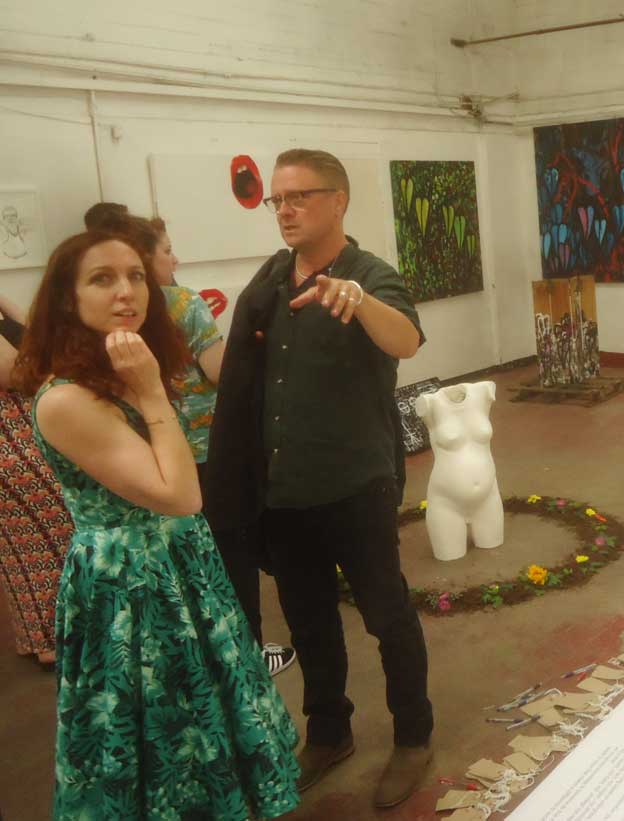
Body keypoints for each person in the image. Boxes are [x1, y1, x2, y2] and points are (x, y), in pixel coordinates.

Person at [13, 231, 300, 819]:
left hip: (179, 565)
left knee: (208, 705)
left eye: (136, 276)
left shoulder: (119, 369)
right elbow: (180, 495)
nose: (126, 291)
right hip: (131, 587)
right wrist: (150, 392)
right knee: (159, 727)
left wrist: (145, 385)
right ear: (67, 298)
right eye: (102, 279)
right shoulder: (65, 399)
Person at [205, 148, 432, 808]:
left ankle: (413, 735)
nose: (286, 210)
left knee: (387, 616)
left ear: (339, 200)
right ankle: (329, 731)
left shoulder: (370, 275)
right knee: (308, 623)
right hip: (284, 493)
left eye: (300, 196)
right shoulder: (270, 283)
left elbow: (406, 340)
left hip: (356, 486)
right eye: (277, 200)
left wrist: (358, 302)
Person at [84, 204, 296, 676]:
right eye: (167, 251)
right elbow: (220, 372)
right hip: (206, 452)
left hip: (149, 458)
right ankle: (247, 656)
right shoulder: (181, 304)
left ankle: (199, 659)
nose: (174, 260)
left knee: (179, 563)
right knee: (231, 556)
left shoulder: (98, 322)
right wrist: (255, 350)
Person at [0, 294, 72, 668]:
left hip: (18, 437)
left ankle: (40, 637)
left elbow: (32, 337)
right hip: (12, 444)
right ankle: (52, 639)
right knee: (48, 538)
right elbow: (15, 373)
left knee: (24, 546)